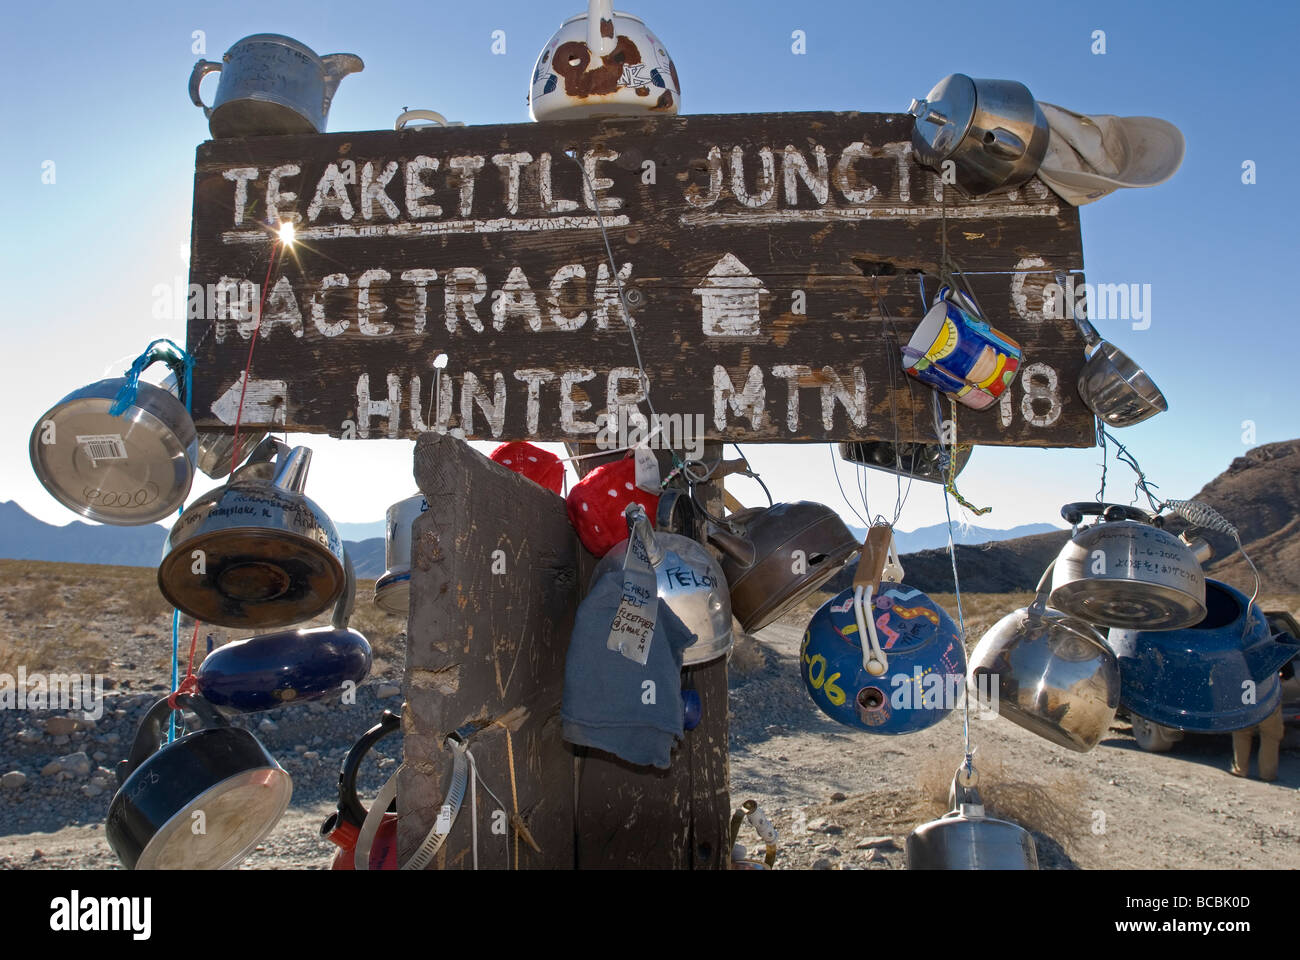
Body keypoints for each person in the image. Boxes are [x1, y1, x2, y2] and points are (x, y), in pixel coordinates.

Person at [1230, 670, 1288, 782]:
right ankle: (1267, 774)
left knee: (1242, 731)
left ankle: (1240, 769)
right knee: (1270, 736)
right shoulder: (1274, 652)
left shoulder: (1242, 652)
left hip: (1246, 692)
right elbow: (1288, 673)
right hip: (1268, 696)